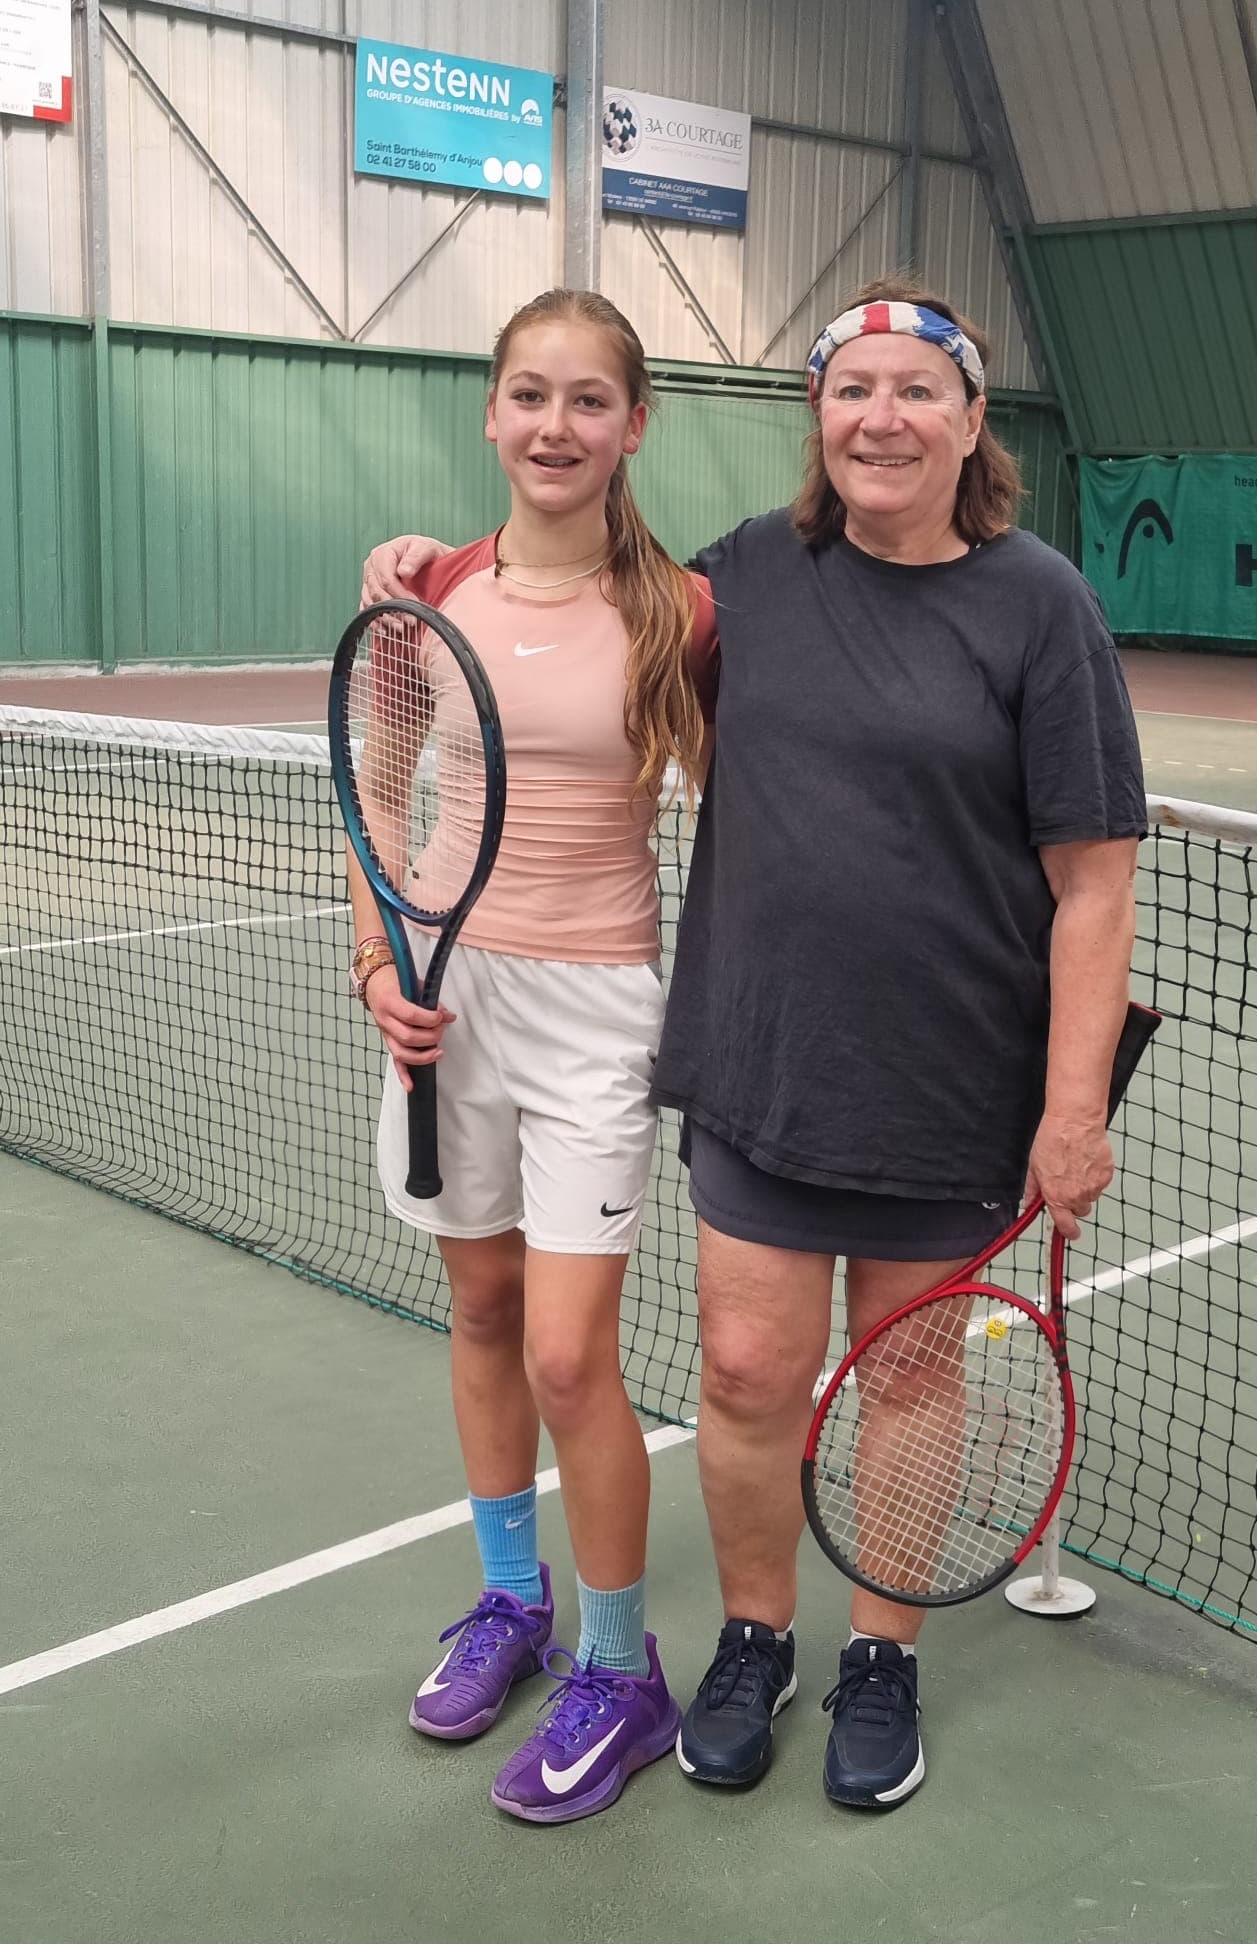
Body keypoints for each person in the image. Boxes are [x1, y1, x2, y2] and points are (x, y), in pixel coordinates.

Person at [362, 276, 1146, 1813]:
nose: (883, 418)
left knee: (908, 1379)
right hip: (760, 1057)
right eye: (854, 390)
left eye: (917, 392)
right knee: (741, 1374)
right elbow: (574, 578)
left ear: (971, 420)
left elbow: (1096, 882)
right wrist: (424, 562)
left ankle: (883, 1659)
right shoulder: (746, 579)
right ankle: (752, 1640)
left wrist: (1073, 1108)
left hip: (947, 1073)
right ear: (818, 417)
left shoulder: (1040, 604)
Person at [348, 287, 717, 1825]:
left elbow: (749, 811)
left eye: (587, 400)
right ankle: (512, 1602)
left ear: (633, 425)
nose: (553, 425)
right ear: (492, 411)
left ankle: (622, 1672)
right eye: (528, 395)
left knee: (571, 1354)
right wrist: (379, 961)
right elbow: (378, 785)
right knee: (484, 1310)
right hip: (445, 993)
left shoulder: (682, 612)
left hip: (595, 1013)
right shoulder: (423, 588)